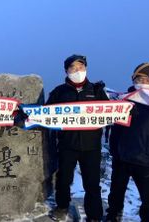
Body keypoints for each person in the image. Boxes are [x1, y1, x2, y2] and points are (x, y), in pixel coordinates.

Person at [47, 54, 109, 222]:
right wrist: (28, 114)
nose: (77, 71)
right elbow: (45, 113)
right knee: (64, 179)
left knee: (92, 183)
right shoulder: (59, 91)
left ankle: (94, 216)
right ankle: (62, 207)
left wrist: (126, 111)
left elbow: (111, 112)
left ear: (86, 69)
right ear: (66, 71)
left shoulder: (96, 90)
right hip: (68, 143)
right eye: (73, 68)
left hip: (92, 145)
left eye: (80, 67)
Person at [106, 63, 149, 222]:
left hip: (146, 160)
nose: (143, 81)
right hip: (121, 157)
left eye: (147, 78)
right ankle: (113, 216)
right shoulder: (123, 100)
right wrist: (115, 151)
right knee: (115, 195)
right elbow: (114, 128)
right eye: (139, 78)